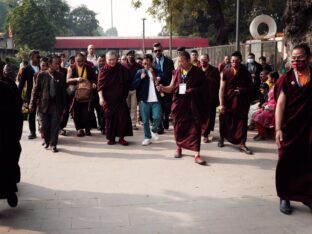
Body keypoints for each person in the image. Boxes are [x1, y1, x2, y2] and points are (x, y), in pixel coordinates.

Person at [275, 44, 312, 215]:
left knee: (307, 162)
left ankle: (306, 196)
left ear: (309, 58)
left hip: (308, 128)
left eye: (300, 58)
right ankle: (285, 197)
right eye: (294, 58)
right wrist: (278, 129)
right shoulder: (285, 78)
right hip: (289, 128)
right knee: (286, 162)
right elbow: (280, 105)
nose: (296, 61)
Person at [157, 51, 209, 165]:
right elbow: (171, 88)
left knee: (195, 129)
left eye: (182, 61)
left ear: (188, 60)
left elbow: (204, 88)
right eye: (178, 61)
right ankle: (179, 148)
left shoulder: (198, 72)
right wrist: (162, 88)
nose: (180, 64)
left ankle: (197, 154)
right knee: (178, 127)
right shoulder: (176, 72)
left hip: (193, 104)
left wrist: (192, 90)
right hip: (179, 104)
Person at [29, 56, 67, 153]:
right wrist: (31, 104)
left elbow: (63, 93)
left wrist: (64, 107)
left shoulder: (61, 76)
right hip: (43, 105)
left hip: (56, 105)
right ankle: (46, 141)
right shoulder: (41, 75)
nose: (58, 65)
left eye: (58, 63)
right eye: (55, 64)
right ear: (49, 64)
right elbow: (35, 91)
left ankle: (53, 144)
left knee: (55, 126)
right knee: (44, 126)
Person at [218, 51, 254, 154]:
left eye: (237, 61)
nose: (234, 63)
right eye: (233, 61)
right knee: (223, 119)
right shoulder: (226, 72)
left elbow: (251, 89)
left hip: (241, 102)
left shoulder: (246, 74)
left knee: (242, 123)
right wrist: (221, 104)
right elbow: (221, 89)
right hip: (228, 100)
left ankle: (242, 144)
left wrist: (242, 90)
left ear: (241, 61)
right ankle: (221, 138)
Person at [98, 50, 133, 145]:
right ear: (106, 60)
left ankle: (121, 138)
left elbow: (128, 81)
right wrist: (101, 98)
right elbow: (100, 86)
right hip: (108, 100)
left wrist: (124, 93)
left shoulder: (122, 69)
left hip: (120, 99)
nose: (112, 62)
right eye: (109, 60)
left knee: (122, 118)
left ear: (117, 59)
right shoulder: (103, 70)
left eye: (113, 59)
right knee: (110, 119)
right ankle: (111, 138)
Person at [0, 78, 23, 207]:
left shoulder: (5, 87)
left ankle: (9, 191)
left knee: (8, 163)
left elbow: (16, 112)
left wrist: (16, 135)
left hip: (6, 136)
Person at [132, 54, 162, 146]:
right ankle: (147, 137)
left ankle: (153, 130)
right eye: (144, 64)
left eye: (148, 63)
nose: (146, 65)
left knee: (157, 117)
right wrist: (140, 78)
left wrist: (156, 76)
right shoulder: (139, 72)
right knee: (145, 121)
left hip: (156, 99)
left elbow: (163, 79)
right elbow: (133, 85)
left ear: (151, 63)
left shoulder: (156, 71)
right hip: (144, 100)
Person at [67, 53, 96, 137]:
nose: (80, 63)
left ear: (84, 60)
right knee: (76, 113)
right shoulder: (71, 68)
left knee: (87, 112)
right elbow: (67, 80)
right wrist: (76, 79)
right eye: (78, 61)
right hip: (76, 94)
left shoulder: (88, 67)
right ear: (75, 60)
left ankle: (87, 128)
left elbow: (93, 78)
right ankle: (79, 129)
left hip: (87, 93)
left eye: (82, 61)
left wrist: (94, 83)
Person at [153, 42, 175, 133]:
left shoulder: (169, 61)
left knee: (167, 106)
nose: (157, 52)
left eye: (159, 50)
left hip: (167, 87)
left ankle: (166, 117)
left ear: (162, 50)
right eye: (155, 51)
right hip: (157, 88)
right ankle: (161, 124)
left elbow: (173, 74)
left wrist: (171, 85)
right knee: (159, 106)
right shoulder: (152, 63)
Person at [18, 50, 40, 139]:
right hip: (31, 94)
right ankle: (32, 132)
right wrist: (18, 95)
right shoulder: (26, 69)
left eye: (39, 57)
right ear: (31, 57)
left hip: (42, 94)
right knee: (31, 113)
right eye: (36, 57)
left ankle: (43, 131)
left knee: (43, 113)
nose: (38, 59)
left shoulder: (41, 67)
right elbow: (22, 83)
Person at [200, 54, 220, 143]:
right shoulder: (197, 70)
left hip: (210, 97)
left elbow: (218, 84)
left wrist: (208, 79)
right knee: (200, 116)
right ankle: (202, 132)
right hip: (200, 98)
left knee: (209, 117)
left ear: (208, 60)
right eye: (201, 60)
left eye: (205, 60)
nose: (203, 62)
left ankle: (205, 134)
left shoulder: (214, 70)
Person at [124, 50, 142, 130]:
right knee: (126, 107)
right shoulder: (123, 66)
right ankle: (126, 123)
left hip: (134, 89)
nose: (130, 56)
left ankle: (133, 124)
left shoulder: (138, 66)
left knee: (134, 107)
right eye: (129, 55)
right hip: (125, 90)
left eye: (132, 55)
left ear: (134, 56)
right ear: (126, 56)